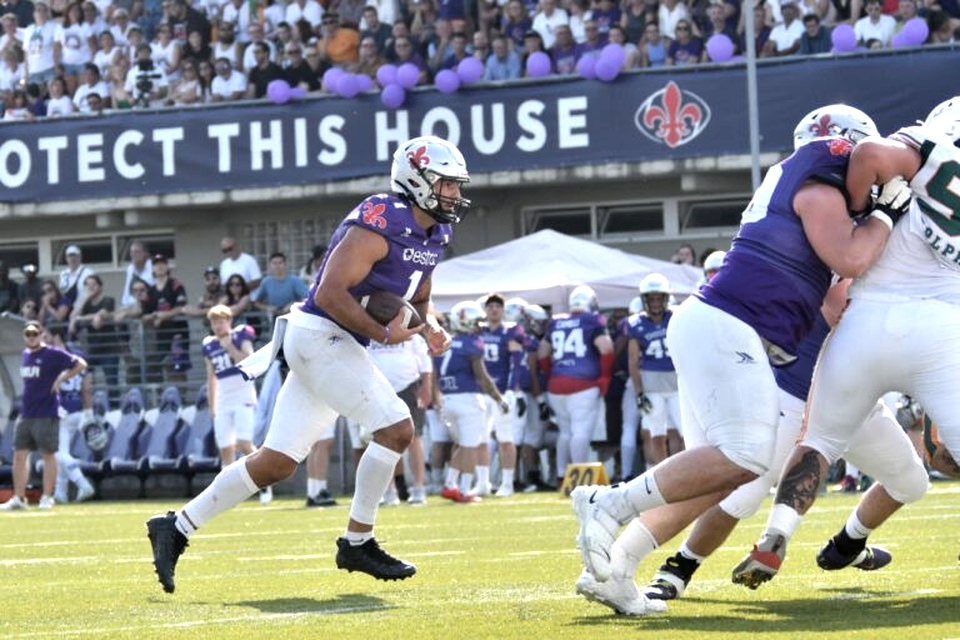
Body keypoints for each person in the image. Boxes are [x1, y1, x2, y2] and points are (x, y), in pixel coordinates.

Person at [571, 104, 901, 614]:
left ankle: (616, 570)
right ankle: (607, 503)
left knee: (723, 477)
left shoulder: (799, 180)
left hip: (726, 329)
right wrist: (885, 215)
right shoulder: (821, 172)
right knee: (744, 456)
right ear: (850, 147)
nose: (877, 178)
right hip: (729, 325)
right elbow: (849, 266)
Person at [146, 135, 468, 592]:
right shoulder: (382, 218)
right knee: (397, 428)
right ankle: (358, 541)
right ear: (415, 180)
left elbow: (419, 298)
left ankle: (175, 526)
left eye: (456, 185)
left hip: (335, 342)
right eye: (445, 184)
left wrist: (430, 326)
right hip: (320, 334)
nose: (453, 194)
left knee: (277, 463)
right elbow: (330, 293)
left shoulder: (437, 232)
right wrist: (383, 333)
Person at [733, 96, 960, 589]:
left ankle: (776, 536)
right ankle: (850, 537)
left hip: (865, 320)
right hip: (940, 331)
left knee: (818, 443)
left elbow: (869, 157)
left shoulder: (922, 151)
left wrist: (864, 208)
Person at [641, 277, 921, 603]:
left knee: (911, 481)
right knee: (741, 493)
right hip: (795, 399)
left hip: (858, 401)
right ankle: (678, 570)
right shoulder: (827, 267)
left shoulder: (908, 279)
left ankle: (847, 545)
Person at [1, 321, 87, 511]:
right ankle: (19, 498)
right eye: (28, 334)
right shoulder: (25, 355)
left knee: (48, 455)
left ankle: (48, 497)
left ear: (41, 335)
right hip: (26, 413)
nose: (31, 337)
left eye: (35, 333)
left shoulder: (52, 353)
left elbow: (80, 364)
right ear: (24, 336)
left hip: (46, 412)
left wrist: (61, 379)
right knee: (19, 456)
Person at [538, 285, 613, 486]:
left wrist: (552, 375)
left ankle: (563, 475)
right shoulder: (593, 320)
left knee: (565, 432)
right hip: (584, 385)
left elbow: (542, 353)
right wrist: (605, 377)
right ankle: (579, 476)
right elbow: (606, 347)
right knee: (581, 431)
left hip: (557, 386)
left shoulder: (556, 321)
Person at [436, 300, 509, 502]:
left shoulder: (444, 341)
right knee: (470, 446)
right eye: (476, 322)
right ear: (466, 322)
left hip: (447, 399)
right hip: (468, 399)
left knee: (462, 445)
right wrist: (499, 398)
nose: (478, 326)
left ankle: (450, 484)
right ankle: (465, 490)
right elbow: (482, 377)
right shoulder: (472, 343)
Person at [201, 305, 273, 502]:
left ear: (229, 321)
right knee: (225, 447)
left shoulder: (240, 335)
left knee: (244, 443)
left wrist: (230, 347)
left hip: (242, 395)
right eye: (214, 322)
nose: (217, 325)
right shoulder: (209, 344)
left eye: (221, 321)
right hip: (223, 398)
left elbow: (250, 361)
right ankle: (228, 492)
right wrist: (211, 405)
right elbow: (211, 377)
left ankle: (264, 482)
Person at [624, 273, 681, 481]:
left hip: (676, 385)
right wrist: (639, 393)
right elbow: (633, 360)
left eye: (659, 298)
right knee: (657, 433)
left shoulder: (676, 316)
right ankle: (664, 478)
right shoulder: (635, 323)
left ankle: (685, 475)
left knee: (685, 433)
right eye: (652, 298)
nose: (656, 302)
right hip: (652, 386)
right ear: (644, 300)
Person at [367, 332, 433, 504]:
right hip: (379, 389)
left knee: (415, 438)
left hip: (409, 387)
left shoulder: (410, 332)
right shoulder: (369, 330)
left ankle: (419, 489)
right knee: (383, 440)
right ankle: (389, 491)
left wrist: (427, 386)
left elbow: (425, 361)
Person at [474, 293, 523, 497]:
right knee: (480, 438)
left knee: (505, 437)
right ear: (485, 309)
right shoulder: (477, 331)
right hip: (480, 391)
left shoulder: (511, 331)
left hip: (501, 391)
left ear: (503, 310)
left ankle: (507, 483)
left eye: (497, 306)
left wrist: (511, 389)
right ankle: (483, 483)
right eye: (490, 306)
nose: (494, 309)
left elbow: (516, 362)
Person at [43, 325, 96, 504]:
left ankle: (82, 483)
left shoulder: (52, 357)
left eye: (47, 334)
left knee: (56, 452)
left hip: (60, 411)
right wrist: (89, 412)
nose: (44, 337)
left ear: (56, 336)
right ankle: (61, 492)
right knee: (62, 451)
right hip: (77, 411)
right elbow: (87, 388)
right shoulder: (79, 355)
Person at [69, 274, 120, 403]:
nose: (90, 287)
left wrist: (80, 319)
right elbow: (73, 316)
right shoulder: (86, 304)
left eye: (94, 284)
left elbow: (102, 314)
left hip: (110, 349)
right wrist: (85, 299)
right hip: (92, 350)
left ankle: (114, 407)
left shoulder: (108, 300)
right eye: (87, 285)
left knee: (112, 382)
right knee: (84, 379)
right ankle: (89, 406)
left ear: (100, 287)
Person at [140, 254, 189, 383]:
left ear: (167, 267)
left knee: (178, 367)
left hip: (178, 333)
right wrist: (154, 316)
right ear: (153, 269)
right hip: (161, 337)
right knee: (162, 367)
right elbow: (144, 315)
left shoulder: (175, 284)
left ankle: (181, 400)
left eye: (163, 263)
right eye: (156, 264)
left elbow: (181, 307)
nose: (160, 266)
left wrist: (163, 316)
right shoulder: (149, 291)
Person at [253, 252, 308, 316]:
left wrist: (293, 305)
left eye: (280, 263)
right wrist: (268, 308)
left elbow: (306, 299)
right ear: (270, 265)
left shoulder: (295, 280)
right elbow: (257, 303)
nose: (277, 266)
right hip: (274, 316)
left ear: (285, 264)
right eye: (274, 263)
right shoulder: (266, 282)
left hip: (293, 316)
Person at [121, 240, 154, 307]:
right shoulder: (130, 268)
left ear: (145, 253)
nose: (133, 255)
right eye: (131, 252)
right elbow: (127, 292)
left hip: (149, 305)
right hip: (132, 306)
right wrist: (124, 305)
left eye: (136, 252)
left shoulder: (153, 267)